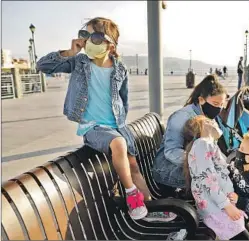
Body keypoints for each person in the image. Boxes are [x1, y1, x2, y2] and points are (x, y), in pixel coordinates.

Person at [36, 17, 175, 222]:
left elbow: (123, 98)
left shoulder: (120, 69)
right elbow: (43, 66)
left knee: (134, 166)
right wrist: (69, 53)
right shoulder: (78, 62)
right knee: (118, 144)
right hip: (92, 127)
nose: (87, 41)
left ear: (110, 44)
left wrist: (119, 121)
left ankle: (150, 206)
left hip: (117, 126)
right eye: (85, 36)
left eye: (95, 36)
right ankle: (131, 194)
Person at [152, 74, 228, 196]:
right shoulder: (181, 117)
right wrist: (201, 161)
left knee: (227, 176)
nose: (218, 109)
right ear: (201, 100)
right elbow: (171, 152)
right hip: (167, 170)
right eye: (215, 104)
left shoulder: (209, 117)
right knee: (218, 181)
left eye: (221, 105)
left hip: (191, 166)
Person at [183, 115, 249, 240]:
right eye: (209, 121)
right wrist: (227, 206)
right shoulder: (201, 144)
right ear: (202, 127)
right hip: (218, 209)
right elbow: (208, 180)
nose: (214, 122)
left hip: (221, 207)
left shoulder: (208, 144)